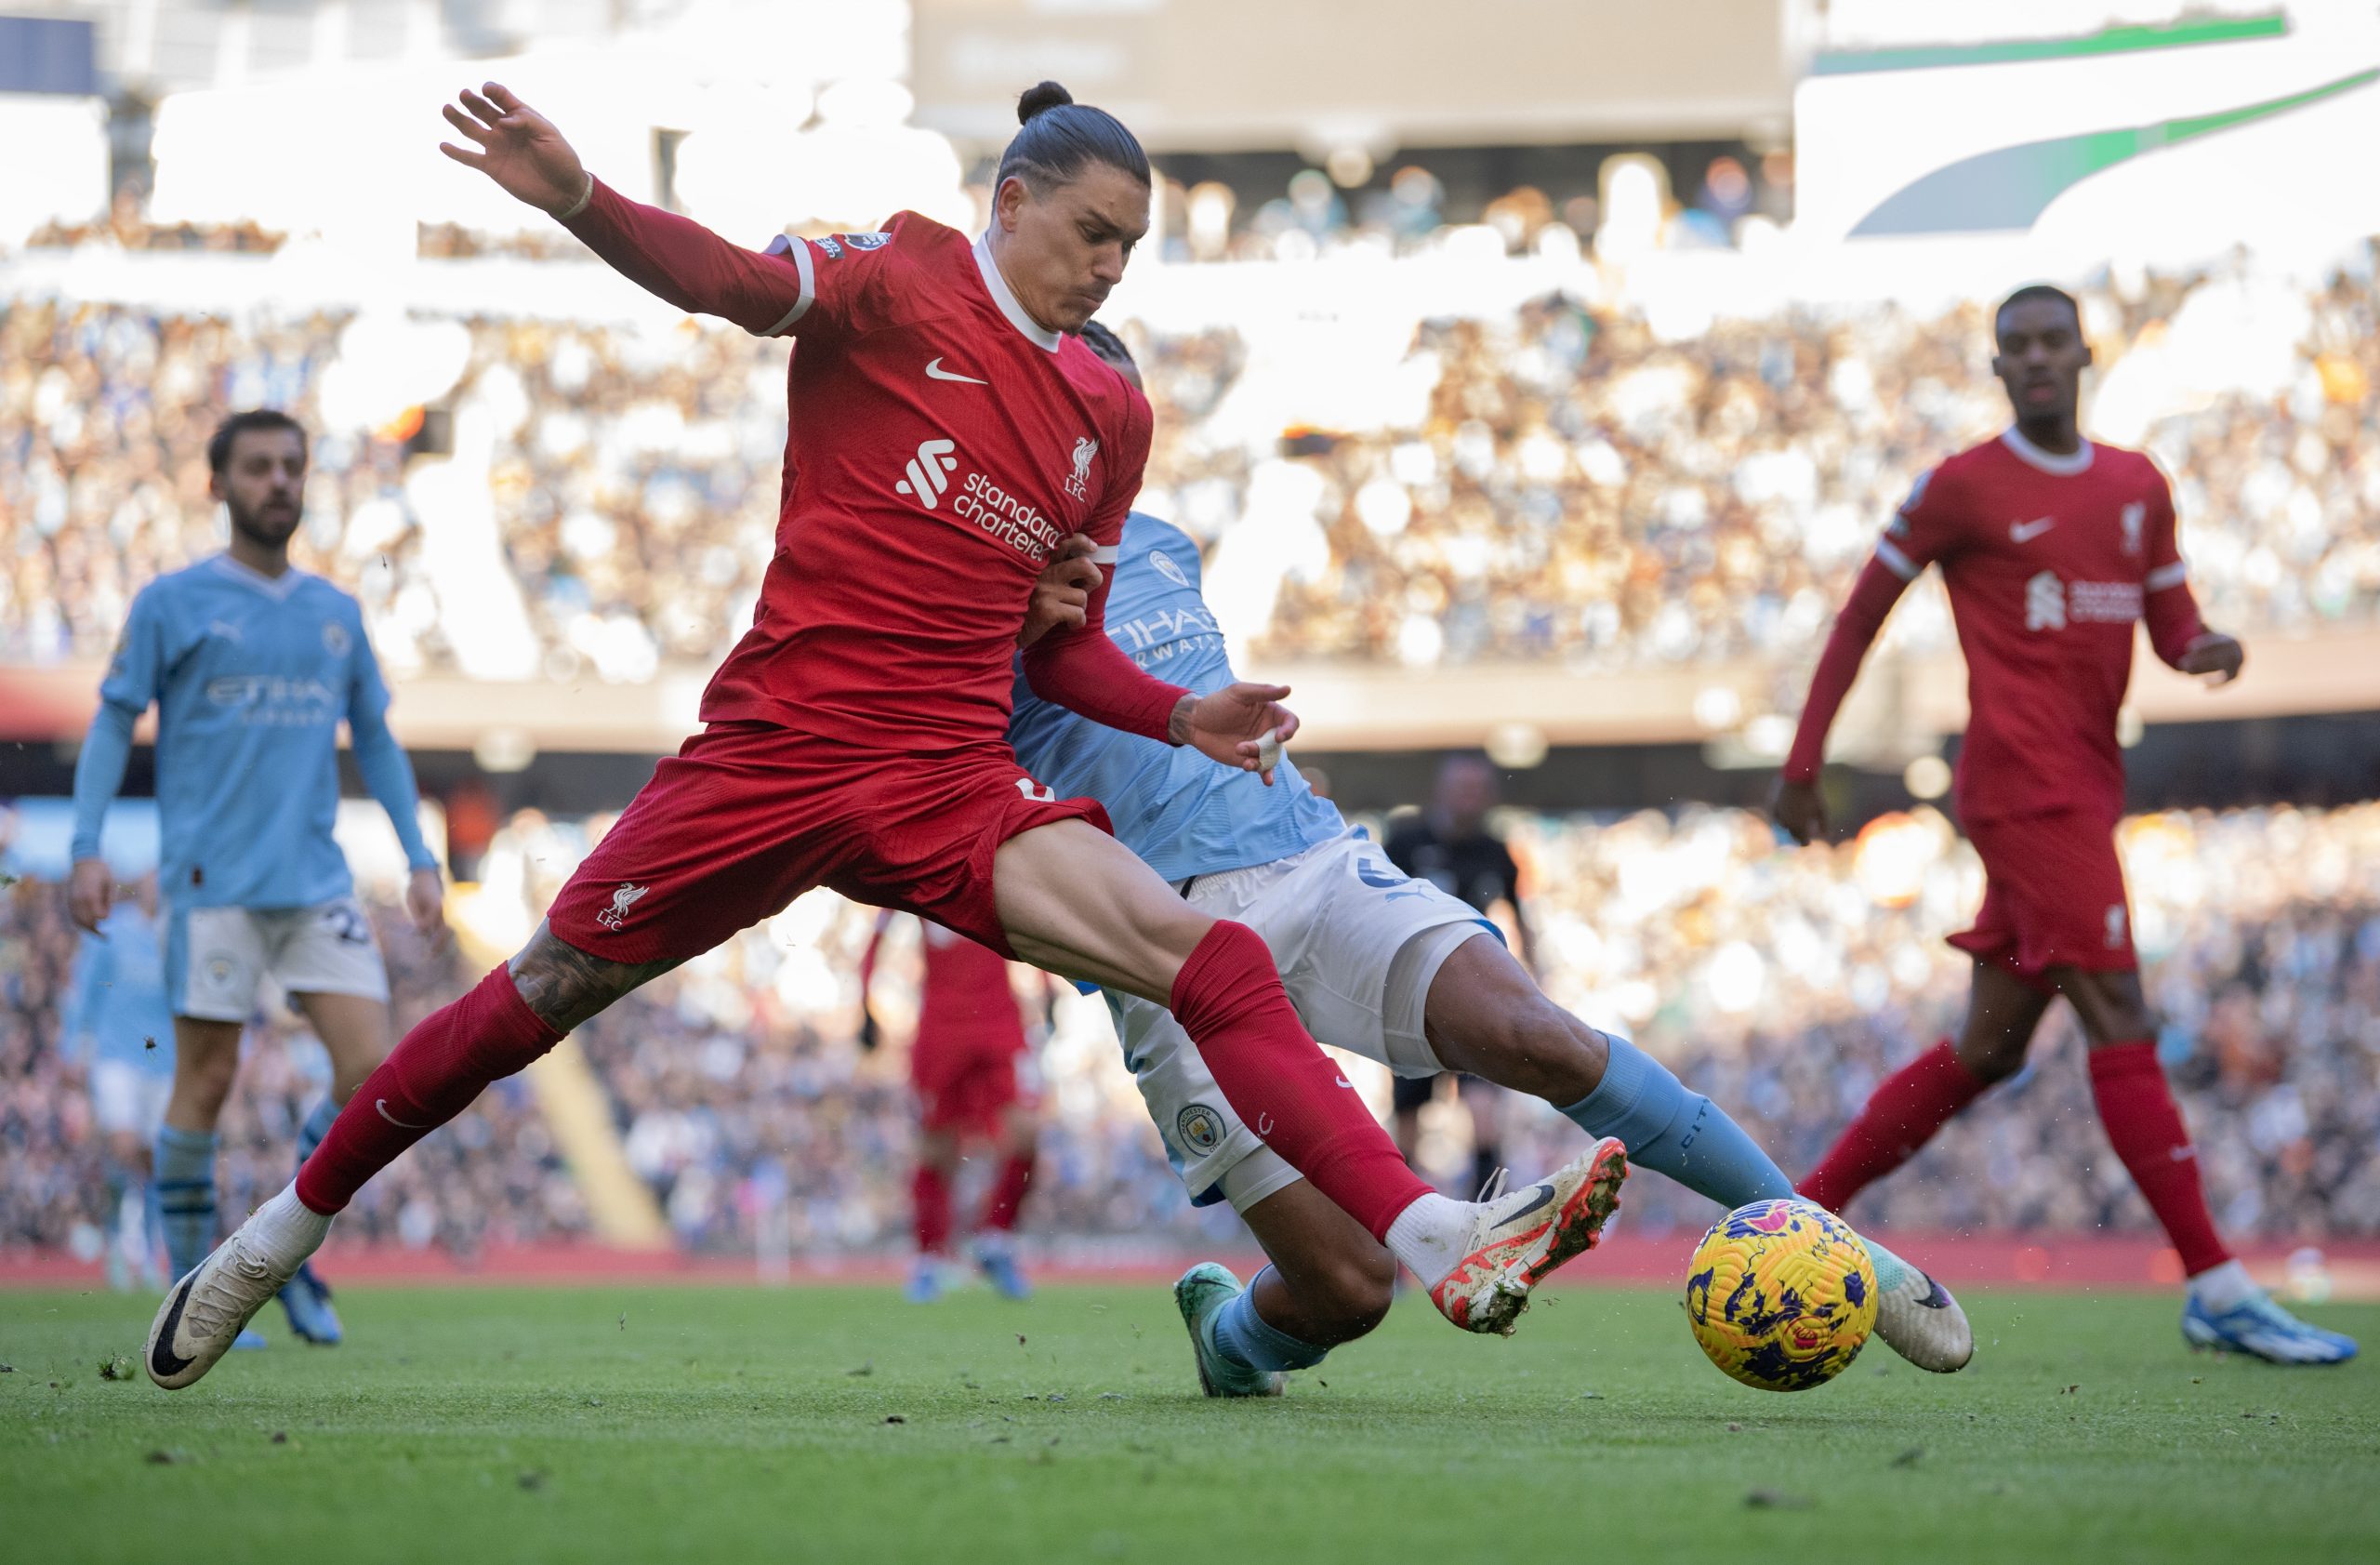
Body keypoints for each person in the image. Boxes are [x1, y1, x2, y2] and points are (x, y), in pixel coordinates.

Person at [149, 81, 1623, 1389]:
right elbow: (726, 281)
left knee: (1211, 960)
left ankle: (1434, 1230)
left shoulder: (1108, 412)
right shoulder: (897, 275)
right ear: (1013, 202)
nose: (1112, 266)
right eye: (1094, 232)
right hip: (777, 752)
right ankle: (284, 1228)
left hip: (946, 775)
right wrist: (582, 198)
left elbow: (1062, 644)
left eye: (1132, 246)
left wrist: (1177, 708)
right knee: (539, 988)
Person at [1000, 322, 1969, 1396]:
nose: (1112, 444)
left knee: (1539, 1038)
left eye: (1126, 419)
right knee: (1350, 1290)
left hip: (1305, 860)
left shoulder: (1166, 539)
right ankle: (1233, 1339)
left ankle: (1844, 1256)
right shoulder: (971, 585)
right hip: (1163, 936)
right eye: (1089, 417)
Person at [1772, 284, 2355, 1366]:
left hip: (2089, 785)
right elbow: (1861, 614)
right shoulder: (1962, 488)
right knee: (2118, 1008)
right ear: (1997, 369)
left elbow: (2170, 625)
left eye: (2051, 342)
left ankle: (1794, 1213)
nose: (2036, 360)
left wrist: (2204, 650)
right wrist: (1803, 764)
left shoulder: (2138, 487)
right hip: (2018, 787)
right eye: (2015, 348)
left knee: (1987, 1051)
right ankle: (2218, 1286)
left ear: (2084, 353)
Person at [72, 409, 447, 1354]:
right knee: (205, 1079)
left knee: (372, 1072)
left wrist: (419, 854)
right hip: (213, 886)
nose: (278, 481)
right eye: (258, 468)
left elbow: (379, 738)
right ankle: (197, 1292)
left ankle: (285, 1247)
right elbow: (114, 720)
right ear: (218, 485)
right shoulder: (172, 603)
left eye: (292, 467)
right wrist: (85, 846)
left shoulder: (334, 612)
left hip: (314, 880)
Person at [858, 912, 1051, 1301]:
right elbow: (879, 930)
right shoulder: (910, 862)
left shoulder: (997, 855)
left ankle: (995, 1238)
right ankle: (929, 1257)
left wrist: (1049, 988)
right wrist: (864, 1003)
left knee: (1026, 1133)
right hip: (942, 1029)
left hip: (999, 1021)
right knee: (937, 1148)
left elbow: (1034, 920)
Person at [1383, 755, 1529, 1199]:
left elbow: (1522, 920)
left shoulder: (1496, 851)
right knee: (1408, 1119)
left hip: (1476, 1001)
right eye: (1461, 787)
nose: (1469, 797)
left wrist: (1531, 985)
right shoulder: (1405, 842)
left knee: (1484, 1114)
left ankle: (1488, 1224)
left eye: (1477, 788)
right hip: (1412, 1001)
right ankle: (1398, 1227)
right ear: (1441, 791)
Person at [63, 871, 176, 1293]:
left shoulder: (175, 936)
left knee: (151, 1160)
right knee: (123, 1146)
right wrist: (75, 1044)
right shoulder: (114, 931)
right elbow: (85, 989)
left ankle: (146, 1250)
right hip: (115, 1056)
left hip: (163, 1062)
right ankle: (115, 1239)